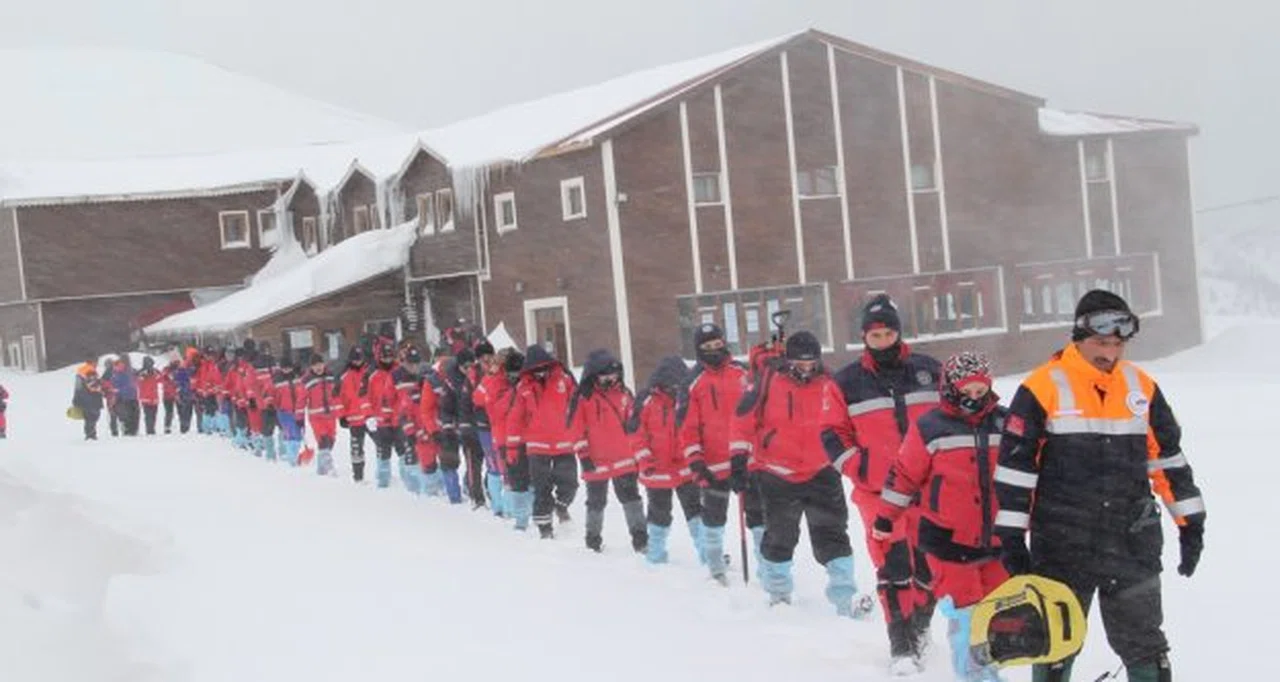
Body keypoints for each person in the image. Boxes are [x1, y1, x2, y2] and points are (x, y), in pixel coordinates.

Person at [993, 290, 1206, 682]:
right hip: (1061, 544)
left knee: (1145, 644)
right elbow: (1015, 472)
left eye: (1117, 344)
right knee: (1055, 643)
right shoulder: (1042, 387)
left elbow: (1169, 461)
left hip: (1131, 541)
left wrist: (1190, 523)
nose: (1109, 353)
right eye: (1101, 344)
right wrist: (1010, 540)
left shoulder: (1141, 387)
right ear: (1078, 337)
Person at [874, 352, 1008, 681]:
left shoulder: (1006, 422)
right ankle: (975, 678)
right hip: (949, 540)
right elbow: (905, 475)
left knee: (996, 616)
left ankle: (990, 672)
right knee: (966, 617)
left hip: (999, 538)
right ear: (949, 388)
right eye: (966, 391)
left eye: (980, 392)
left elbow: (1027, 471)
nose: (973, 399)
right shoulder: (931, 427)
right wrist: (886, 516)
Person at [829, 294, 942, 673]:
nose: (882, 340)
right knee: (892, 569)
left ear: (898, 332)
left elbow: (955, 416)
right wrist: (859, 468)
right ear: (864, 337)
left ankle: (920, 625)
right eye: (874, 334)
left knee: (931, 569)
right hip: (877, 495)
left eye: (888, 332)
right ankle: (901, 645)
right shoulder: (846, 381)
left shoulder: (928, 370)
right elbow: (832, 434)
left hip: (928, 492)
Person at [732, 331, 861, 616]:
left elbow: (848, 421)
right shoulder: (767, 381)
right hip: (777, 473)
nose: (806, 369)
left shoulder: (830, 381)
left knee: (833, 533)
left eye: (811, 363)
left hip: (822, 470)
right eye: (800, 364)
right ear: (787, 361)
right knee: (780, 537)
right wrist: (738, 458)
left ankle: (844, 596)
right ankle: (778, 596)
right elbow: (743, 421)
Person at [678, 323, 763, 585]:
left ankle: (766, 570)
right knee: (713, 522)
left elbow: (760, 411)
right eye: (707, 347)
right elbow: (687, 428)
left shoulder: (744, 373)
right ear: (698, 350)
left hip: (747, 461)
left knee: (759, 519)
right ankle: (716, 571)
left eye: (717, 344)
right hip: (713, 465)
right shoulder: (693, 383)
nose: (714, 350)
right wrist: (696, 462)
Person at [567, 349, 647, 553]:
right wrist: (583, 456)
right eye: (605, 375)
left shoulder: (625, 393)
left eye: (614, 374)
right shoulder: (583, 398)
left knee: (631, 499)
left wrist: (639, 452)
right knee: (595, 502)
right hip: (596, 460)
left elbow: (635, 423)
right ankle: (592, 538)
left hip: (625, 459)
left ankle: (640, 538)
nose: (611, 379)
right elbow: (576, 430)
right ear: (594, 375)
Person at [628, 356, 704, 564]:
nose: (675, 390)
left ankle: (708, 553)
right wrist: (645, 461)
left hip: (685, 468)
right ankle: (656, 554)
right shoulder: (646, 402)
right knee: (659, 514)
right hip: (656, 469)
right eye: (671, 386)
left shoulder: (688, 400)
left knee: (696, 513)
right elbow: (636, 435)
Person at [506, 345, 579, 539]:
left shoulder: (565, 379)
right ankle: (544, 529)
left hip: (564, 442)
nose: (540, 372)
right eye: (536, 369)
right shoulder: (523, 387)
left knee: (570, 484)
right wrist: (512, 447)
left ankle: (561, 506)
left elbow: (578, 406)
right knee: (541, 488)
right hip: (537, 446)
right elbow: (515, 418)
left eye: (544, 367)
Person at [302, 353, 343, 476]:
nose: (318, 367)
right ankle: (329, 467)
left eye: (320, 364)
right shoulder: (306, 380)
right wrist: (298, 415)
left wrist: (340, 409)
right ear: (311, 367)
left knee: (331, 441)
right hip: (316, 417)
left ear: (324, 364)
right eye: (315, 365)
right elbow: (301, 398)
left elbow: (337, 395)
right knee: (323, 440)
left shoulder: (331, 376)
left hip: (330, 415)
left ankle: (321, 469)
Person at [337, 346, 372, 482]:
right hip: (354, 418)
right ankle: (358, 476)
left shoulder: (369, 373)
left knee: (382, 444)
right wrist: (341, 415)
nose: (357, 362)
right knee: (357, 448)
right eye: (355, 360)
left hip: (370, 417)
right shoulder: (344, 376)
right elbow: (338, 397)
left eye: (360, 360)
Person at [273, 356, 307, 466]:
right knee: (290, 434)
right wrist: (277, 408)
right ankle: (292, 457)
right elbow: (275, 397)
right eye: (284, 368)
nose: (287, 370)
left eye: (289, 368)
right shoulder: (277, 380)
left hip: (297, 411)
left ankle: (296, 453)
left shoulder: (298, 377)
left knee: (299, 434)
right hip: (284, 412)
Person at [72, 359, 104, 440]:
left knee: (88, 417)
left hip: (81, 397)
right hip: (90, 398)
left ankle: (89, 434)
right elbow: (93, 386)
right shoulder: (90, 371)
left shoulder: (81, 370)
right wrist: (102, 388)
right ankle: (91, 435)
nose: (97, 364)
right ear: (93, 362)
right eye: (96, 362)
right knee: (93, 416)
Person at [137, 356, 162, 435]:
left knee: (153, 415)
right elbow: (137, 382)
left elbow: (160, 379)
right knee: (148, 415)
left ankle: (151, 429)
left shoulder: (155, 371)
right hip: (146, 397)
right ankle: (149, 430)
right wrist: (142, 375)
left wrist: (156, 373)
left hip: (154, 397)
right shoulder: (141, 372)